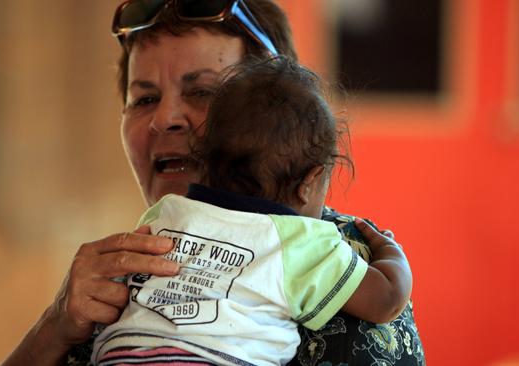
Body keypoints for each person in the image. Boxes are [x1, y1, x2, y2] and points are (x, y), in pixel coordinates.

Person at [1, 1, 425, 365]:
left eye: (205, 92)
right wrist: (53, 330)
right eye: (144, 99)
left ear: (279, 116)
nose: (165, 118)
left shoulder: (338, 264)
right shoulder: (111, 272)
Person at [91, 55, 413, 366]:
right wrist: (390, 250)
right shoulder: (300, 242)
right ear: (310, 181)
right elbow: (385, 300)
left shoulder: (165, 212)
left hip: (121, 351)